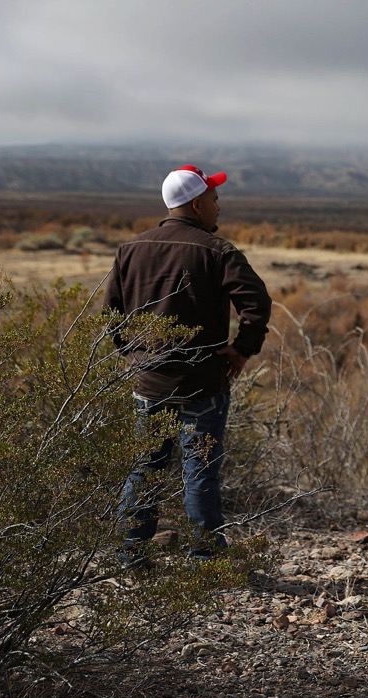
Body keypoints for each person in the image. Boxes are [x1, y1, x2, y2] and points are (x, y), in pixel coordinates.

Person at [105, 164, 272, 566]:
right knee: (199, 471)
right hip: (203, 383)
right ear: (196, 204)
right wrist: (241, 350)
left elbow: (110, 315)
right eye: (215, 200)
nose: (219, 207)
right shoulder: (219, 251)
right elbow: (257, 304)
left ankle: (131, 555)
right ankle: (205, 562)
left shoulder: (131, 250)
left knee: (145, 468)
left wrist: (134, 357)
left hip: (149, 384)